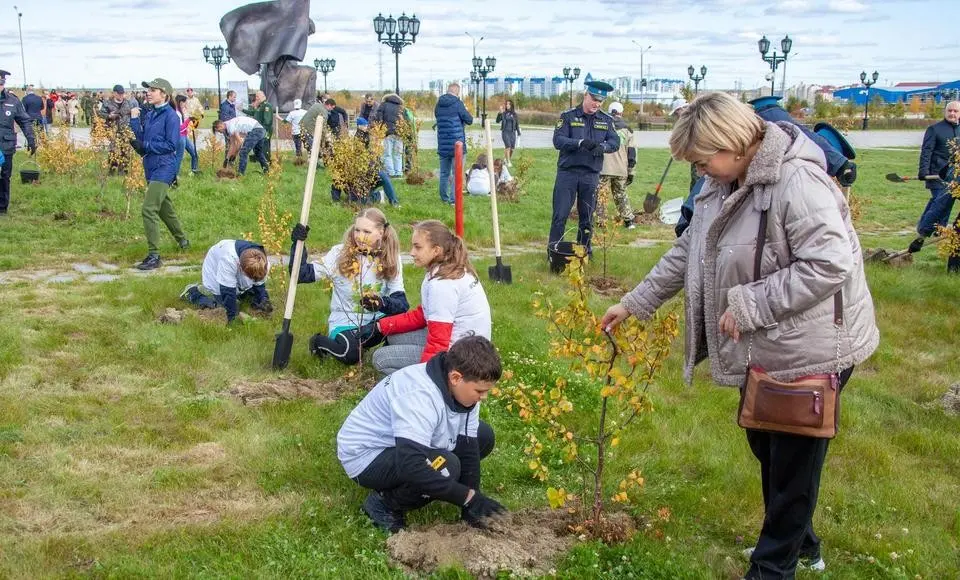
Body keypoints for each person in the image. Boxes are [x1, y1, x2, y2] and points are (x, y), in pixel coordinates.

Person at [601, 92, 879, 580]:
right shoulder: (720, 185)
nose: (702, 171)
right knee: (766, 446)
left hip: (814, 345)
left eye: (705, 160)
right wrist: (635, 301)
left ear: (733, 143)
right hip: (769, 344)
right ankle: (803, 541)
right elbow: (689, 250)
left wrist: (752, 302)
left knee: (791, 463)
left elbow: (830, 263)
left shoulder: (797, 179)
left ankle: (773, 568)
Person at [336, 335, 507, 533]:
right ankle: (384, 504)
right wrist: (467, 497)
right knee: (446, 466)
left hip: (402, 444)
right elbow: (411, 466)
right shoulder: (420, 395)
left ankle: (442, 487)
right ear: (456, 377)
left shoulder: (464, 390)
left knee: (482, 437)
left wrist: (471, 506)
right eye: (479, 391)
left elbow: (468, 445)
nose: (483, 397)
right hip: (366, 457)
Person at [357, 220, 492, 375]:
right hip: (471, 347)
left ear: (436, 250)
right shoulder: (448, 268)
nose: (412, 252)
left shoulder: (442, 284)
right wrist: (381, 326)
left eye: (418, 247)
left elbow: (438, 341)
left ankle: (408, 391)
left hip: (462, 358)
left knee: (380, 358)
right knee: (393, 337)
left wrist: (426, 380)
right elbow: (424, 314)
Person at [288, 208, 407, 365]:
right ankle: (318, 342)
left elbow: (402, 304)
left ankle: (382, 354)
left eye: (366, 231)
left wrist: (381, 303)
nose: (360, 236)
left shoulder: (391, 258)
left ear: (381, 232)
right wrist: (298, 245)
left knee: (404, 324)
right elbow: (302, 274)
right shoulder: (339, 254)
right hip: (345, 322)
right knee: (350, 355)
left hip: (375, 322)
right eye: (357, 230)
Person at [548, 80, 620, 257]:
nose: (596, 104)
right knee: (560, 215)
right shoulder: (568, 116)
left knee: (587, 218)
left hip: (591, 175)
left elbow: (615, 142)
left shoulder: (606, 120)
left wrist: (602, 147)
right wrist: (579, 143)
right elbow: (558, 140)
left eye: (600, 101)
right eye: (594, 99)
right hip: (568, 174)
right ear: (585, 95)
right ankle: (554, 252)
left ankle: (584, 252)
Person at [131, 78, 190, 270]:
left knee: (149, 208)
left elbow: (171, 144)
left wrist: (146, 146)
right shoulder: (150, 114)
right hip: (151, 165)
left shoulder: (171, 116)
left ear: (164, 94)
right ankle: (184, 242)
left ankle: (154, 256)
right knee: (165, 208)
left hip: (164, 167)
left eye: (153, 90)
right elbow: (141, 140)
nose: (148, 92)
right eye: (148, 89)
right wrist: (133, 122)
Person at [908, 100, 960, 254]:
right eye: (949, 110)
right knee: (941, 202)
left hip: (956, 178)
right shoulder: (934, 130)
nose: (952, 113)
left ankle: (937, 229)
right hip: (936, 176)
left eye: (955, 111)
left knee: (941, 203)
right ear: (945, 111)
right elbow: (926, 152)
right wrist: (923, 171)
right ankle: (925, 233)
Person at [180, 240, 272, 325]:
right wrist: (233, 318)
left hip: (239, 271)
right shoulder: (228, 260)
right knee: (221, 306)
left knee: (253, 298)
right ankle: (193, 292)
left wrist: (263, 299)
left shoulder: (261, 262)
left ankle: (241, 294)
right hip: (215, 273)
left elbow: (260, 284)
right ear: (239, 266)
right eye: (251, 277)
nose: (253, 280)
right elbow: (227, 292)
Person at [0, 70, 37, 216]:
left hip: (5, 145)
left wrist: (31, 139)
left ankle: (2, 207)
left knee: (4, 176)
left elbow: (25, 121)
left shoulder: (13, 101)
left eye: (1, 84)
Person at [599, 101, 637, 229]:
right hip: (621, 169)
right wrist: (631, 172)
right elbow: (631, 154)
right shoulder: (628, 130)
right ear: (621, 113)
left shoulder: (602, 125)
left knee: (601, 195)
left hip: (603, 167)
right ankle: (629, 221)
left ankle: (601, 222)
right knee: (621, 195)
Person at [435, 83, 473, 204]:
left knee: (444, 173)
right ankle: (454, 200)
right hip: (457, 144)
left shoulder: (438, 104)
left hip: (442, 144)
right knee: (457, 173)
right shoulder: (458, 103)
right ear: (457, 92)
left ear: (448, 91)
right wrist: (465, 110)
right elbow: (469, 120)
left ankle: (444, 198)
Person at [355, 117, 400, 206]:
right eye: (364, 125)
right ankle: (379, 195)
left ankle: (394, 202)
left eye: (366, 125)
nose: (365, 127)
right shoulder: (358, 138)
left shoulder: (368, 135)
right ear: (359, 126)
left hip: (373, 168)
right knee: (362, 200)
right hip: (364, 173)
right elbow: (360, 156)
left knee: (384, 177)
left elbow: (374, 153)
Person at [373, 93, 405, 177]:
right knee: (398, 154)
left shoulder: (383, 105)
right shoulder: (401, 107)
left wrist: (378, 131)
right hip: (400, 134)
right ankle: (398, 172)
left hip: (387, 133)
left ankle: (391, 172)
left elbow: (378, 119)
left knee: (387, 153)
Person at [244, 90, 275, 160]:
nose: (256, 98)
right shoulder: (260, 106)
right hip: (259, 130)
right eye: (256, 96)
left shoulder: (267, 106)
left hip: (264, 130)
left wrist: (263, 130)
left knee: (265, 145)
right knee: (259, 145)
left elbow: (267, 121)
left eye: (258, 96)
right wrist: (242, 110)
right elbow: (252, 113)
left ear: (263, 96)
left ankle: (266, 161)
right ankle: (259, 159)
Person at [174, 95, 199, 175]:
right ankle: (174, 177)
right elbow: (180, 128)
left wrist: (192, 119)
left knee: (194, 153)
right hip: (180, 137)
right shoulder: (177, 113)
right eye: (185, 102)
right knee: (179, 157)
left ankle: (194, 170)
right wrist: (189, 120)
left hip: (184, 136)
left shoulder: (181, 111)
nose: (186, 104)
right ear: (181, 102)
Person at [496, 99, 521, 167]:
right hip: (505, 132)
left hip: (512, 133)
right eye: (506, 104)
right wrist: (499, 113)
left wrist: (518, 132)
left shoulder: (514, 114)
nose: (507, 105)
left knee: (512, 148)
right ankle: (508, 162)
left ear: (511, 105)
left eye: (509, 104)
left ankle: (506, 159)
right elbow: (497, 121)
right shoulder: (503, 113)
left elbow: (517, 124)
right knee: (508, 147)